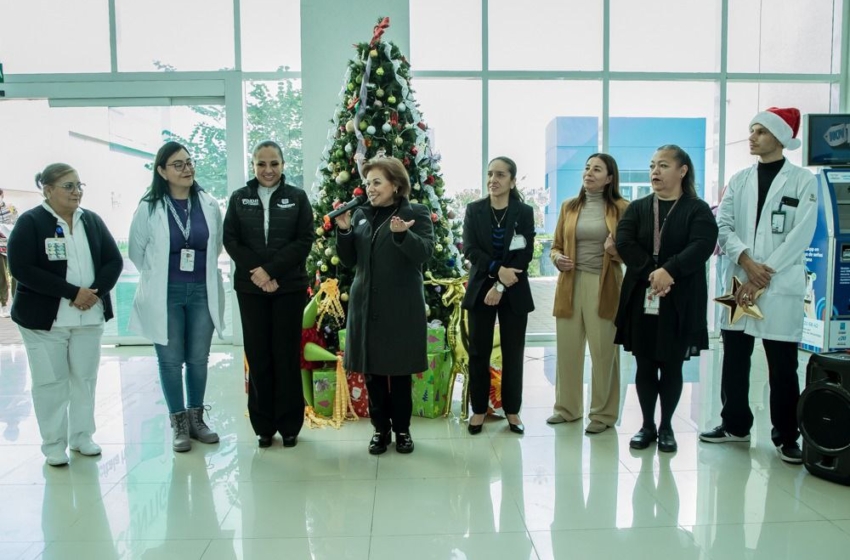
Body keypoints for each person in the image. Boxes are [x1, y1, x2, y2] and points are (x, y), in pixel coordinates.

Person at [699, 107, 818, 464]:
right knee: (734, 357)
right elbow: (723, 225)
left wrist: (765, 271)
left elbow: (802, 233)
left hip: (778, 285)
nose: (751, 137)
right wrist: (748, 262)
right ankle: (734, 425)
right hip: (739, 280)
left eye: (759, 131)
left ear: (780, 138)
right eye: (751, 131)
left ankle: (786, 435)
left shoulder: (803, 181)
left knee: (782, 364)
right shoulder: (739, 179)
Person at [7, 163, 122, 466]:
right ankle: (53, 444)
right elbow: (20, 268)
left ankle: (82, 436)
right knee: (51, 382)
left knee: (85, 379)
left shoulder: (91, 221)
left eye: (79, 185)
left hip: (88, 317)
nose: (76, 192)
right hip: (45, 321)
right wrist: (72, 292)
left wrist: (94, 291)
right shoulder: (31, 222)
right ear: (47, 190)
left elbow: (113, 260)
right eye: (68, 186)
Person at [615, 145, 718, 453]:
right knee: (645, 364)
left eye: (662, 166)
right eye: (652, 166)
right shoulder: (638, 207)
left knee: (672, 365)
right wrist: (654, 273)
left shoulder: (697, 209)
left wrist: (669, 271)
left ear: (682, 170)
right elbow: (624, 241)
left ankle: (667, 426)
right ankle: (647, 425)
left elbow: (702, 245)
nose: (655, 172)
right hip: (642, 295)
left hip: (681, 298)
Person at [129, 141, 226, 453]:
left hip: (201, 291)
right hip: (166, 292)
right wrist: (161, 277)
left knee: (198, 358)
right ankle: (179, 424)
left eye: (189, 162)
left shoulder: (208, 204)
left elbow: (217, 245)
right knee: (171, 361)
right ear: (162, 171)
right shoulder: (149, 207)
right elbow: (137, 251)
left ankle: (197, 419)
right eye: (178, 164)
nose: (187, 169)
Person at [335, 156, 434, 455]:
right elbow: (350, 261)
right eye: (367, 183)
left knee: (400, 372)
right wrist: (344, 231)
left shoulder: (416, 212)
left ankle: (402, 430)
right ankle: (380, 430)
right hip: (366, 306)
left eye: (376, 182)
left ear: (396, 185)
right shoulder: (362, 215)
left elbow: (426, 253)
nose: (370, 188)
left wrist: (404, 234)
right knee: (372, 372)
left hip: (401, 307)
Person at [224, 140, 314, 449]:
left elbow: (304, 240)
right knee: (259, 356)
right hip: (251, 290)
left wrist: (271, 271)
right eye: (261, 164)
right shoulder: (239, 199)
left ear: (283, 165)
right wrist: (259, 273)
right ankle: (263, 425)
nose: (268, 169)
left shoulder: (297, 198)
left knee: (286, 355)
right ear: (253, 166)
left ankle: (290, 425)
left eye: (274, 163)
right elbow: (231, 241)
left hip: (288, 288)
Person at [548, 153, 629, 434]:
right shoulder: (569, 206)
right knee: (567, 351)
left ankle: (603, 415)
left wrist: (614, 251)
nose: (589, 173)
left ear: (609, 178)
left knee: (604, 353)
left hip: (604, 285)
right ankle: (567, 409)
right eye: (586, 168)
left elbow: (632, 252)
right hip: (570, 284)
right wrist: (557, 259)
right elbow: (555, 246)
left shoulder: (622, 208)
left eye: (597, 169)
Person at [462, 156, 535, 435]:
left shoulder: (524, 212)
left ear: (512, 181)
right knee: (478, 352)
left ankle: (512, 410)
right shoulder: (475, 210)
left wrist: (502, 284)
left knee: (513, 353)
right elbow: (470, 249)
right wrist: (496, 271)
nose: (493, 179)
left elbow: (524, 252)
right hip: (481, 288)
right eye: (490, 174)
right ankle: (479, 410)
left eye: (501, 175)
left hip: (514, 289)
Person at [0, 188, 17, 318]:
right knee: (2, 277)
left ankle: (16, 303)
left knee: (15, 274)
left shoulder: (11, 208)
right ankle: (4, 305)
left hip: (11, 244)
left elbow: (16, 223)